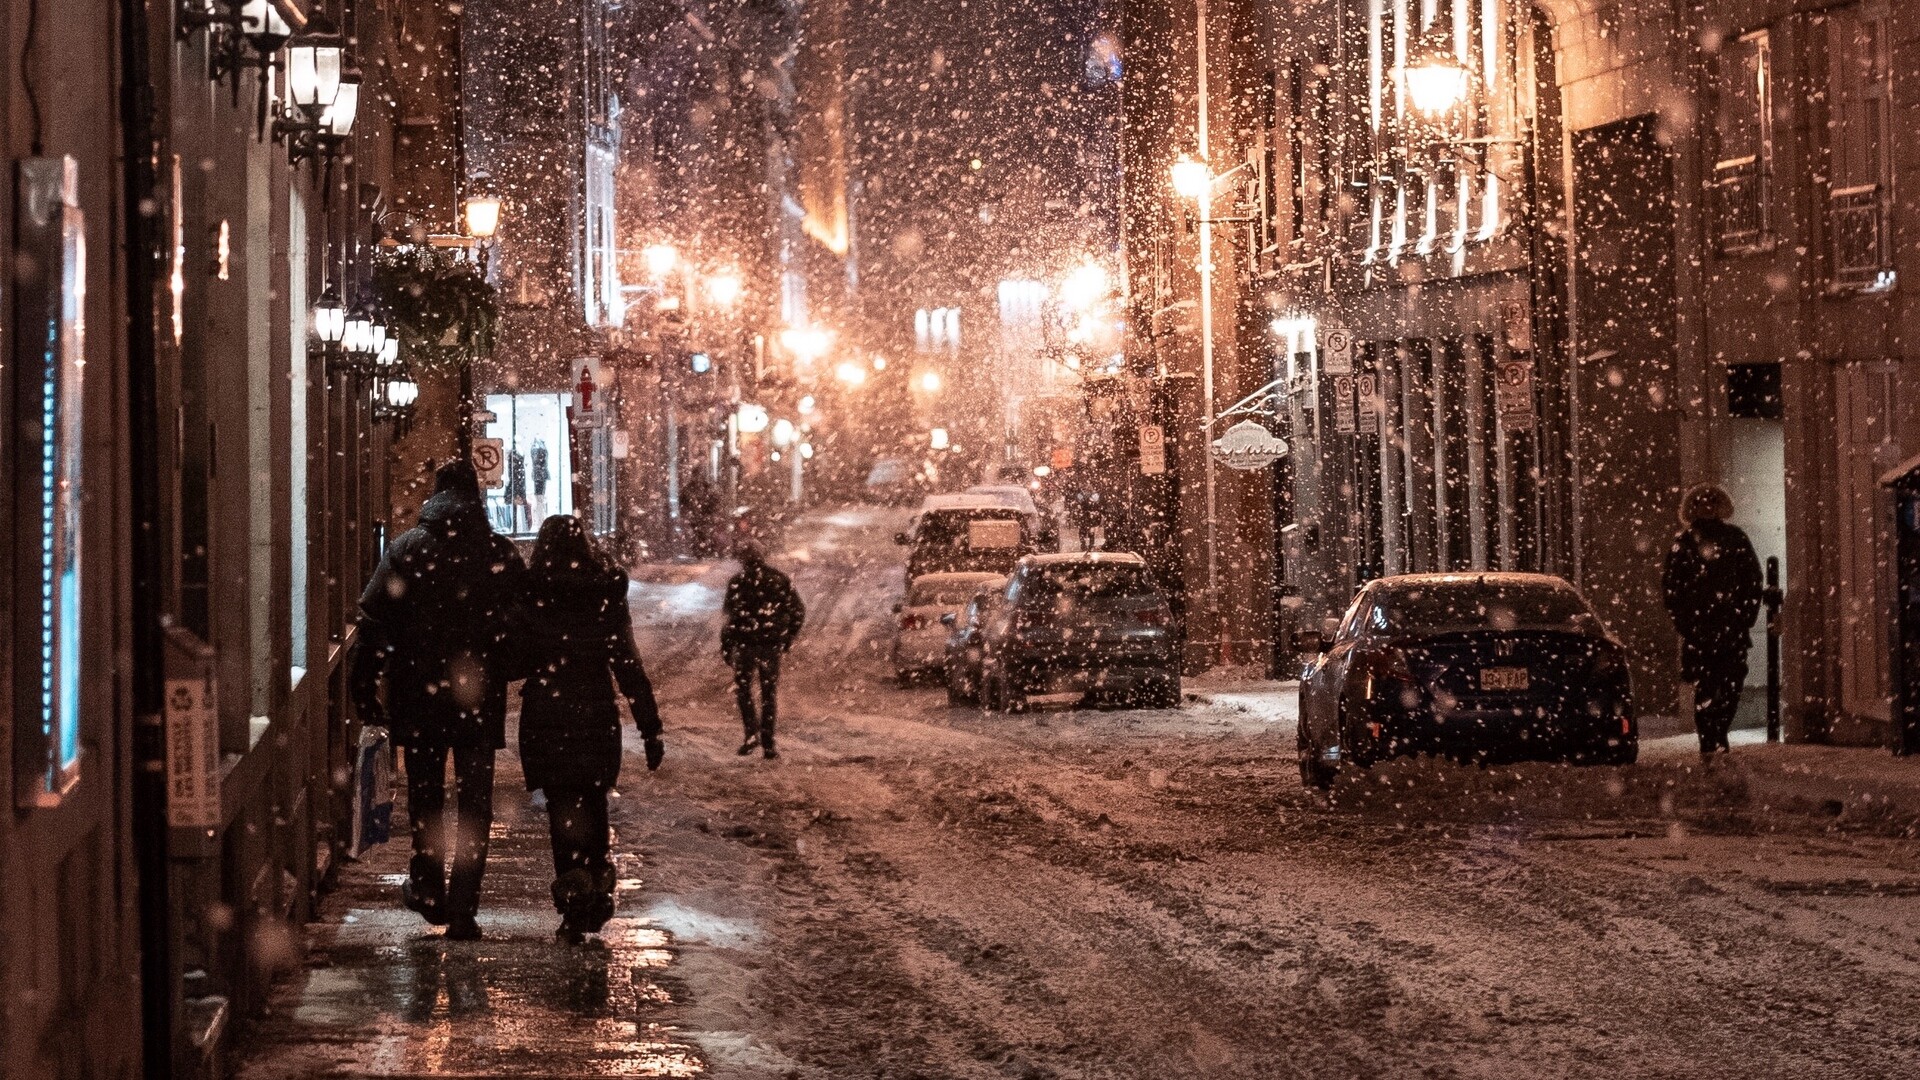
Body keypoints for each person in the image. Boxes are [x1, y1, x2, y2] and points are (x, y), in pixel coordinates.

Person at [351, 460, 525, 940]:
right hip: (476, 699)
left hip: (418, 695)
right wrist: (503, 669)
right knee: (474, 804)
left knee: (425, 797)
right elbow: (523, 624)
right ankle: (465, 907)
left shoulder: (407, 549)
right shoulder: (498, 553)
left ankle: (429, 890)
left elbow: (373, 620)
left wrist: (365, 685)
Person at [515, 516, 664, 944]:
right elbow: (627, 664)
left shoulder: (534, 593)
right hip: (596, 713)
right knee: (594, 802)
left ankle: (575, 897)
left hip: (548, 713)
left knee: (563, 808)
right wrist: (650, 728)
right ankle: (596, 889)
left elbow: (515, 655)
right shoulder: (604, 593)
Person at [1662, 483, 1764, 760]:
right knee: (1707, 688)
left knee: (1731, 686)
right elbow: (1673, 590)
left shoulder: (1735, 539)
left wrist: (1743, 616)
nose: (1707, 507)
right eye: (1701, 503)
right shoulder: (1684, 544)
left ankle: (1716, 736)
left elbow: (1752, 580)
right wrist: (1689, 625)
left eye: (1712, 502)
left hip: (1729, 629)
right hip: (1702, 632)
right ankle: (1711, 741)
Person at [721, 542, 805, 758]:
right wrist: (787, 636)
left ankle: (751, 733)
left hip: (746, 643)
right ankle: (768, 742)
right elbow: (797, 610)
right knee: (768, 693)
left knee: (744, 690)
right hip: (769, 644)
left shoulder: (738, 582)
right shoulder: (778, 579)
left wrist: (727, 644)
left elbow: (731, 618)